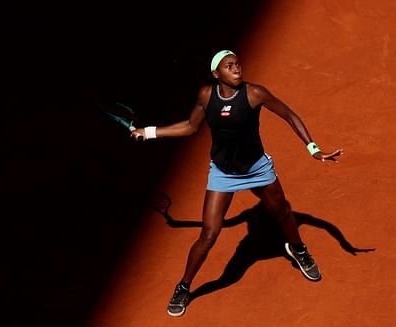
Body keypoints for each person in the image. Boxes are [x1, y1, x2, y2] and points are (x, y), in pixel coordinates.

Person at [131, 50, 343, 317]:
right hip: (223, 173)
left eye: (238, 64)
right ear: (216, 74)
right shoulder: (206, 95)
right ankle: (184, 287)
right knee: (208, 235)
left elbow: (290, 115)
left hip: (257, 168)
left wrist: (314, 149)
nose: (237, 69)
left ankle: (298, 249)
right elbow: (189, 127)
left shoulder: (255, 93)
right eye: (229, 66)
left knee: (283, 212)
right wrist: (149, 132)